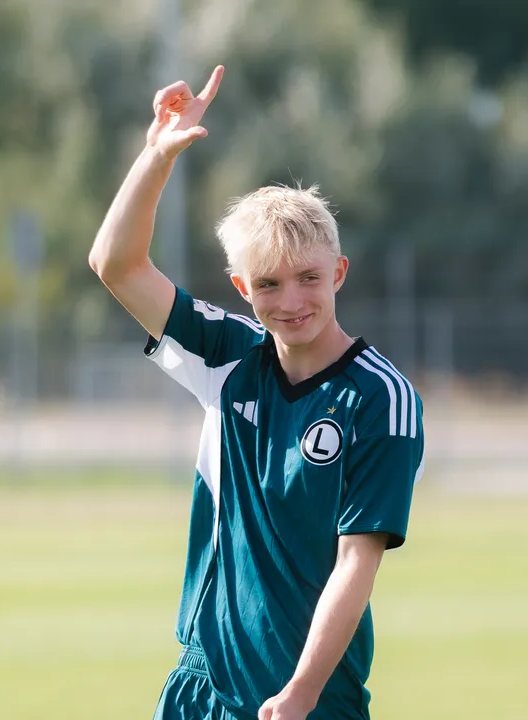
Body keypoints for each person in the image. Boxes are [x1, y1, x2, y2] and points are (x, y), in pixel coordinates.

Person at [89, 65, 424, 720]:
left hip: (307, 696)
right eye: (268, 284)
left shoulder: (380, 397)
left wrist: (300, 694)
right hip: (200, 687)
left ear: (339, 273)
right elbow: (115, 265)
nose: (292, 300)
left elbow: (357, 565)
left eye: (308, 278)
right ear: (242, 289)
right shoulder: (228, 354)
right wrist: (156, 156)